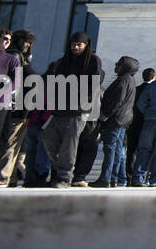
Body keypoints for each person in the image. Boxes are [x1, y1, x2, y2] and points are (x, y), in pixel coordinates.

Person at [41, 32, 104, 188]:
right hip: (59, 109)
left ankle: (64, 177)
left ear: (86, 45)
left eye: (79, 45)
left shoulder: (93, 61)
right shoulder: (64, 62)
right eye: (73, 44)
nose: (75, 47)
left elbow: (93, 84)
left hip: (77, 110)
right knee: (49, 138)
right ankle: (60, 169)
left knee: (69, 145)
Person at [90, 56, 138, 188]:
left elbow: (116, 101)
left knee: (110, 150)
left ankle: (106, 178)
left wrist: (104, 116)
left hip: (115, 120)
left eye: (118, 64)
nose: (115, 66)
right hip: (123, 120)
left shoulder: (122, 81)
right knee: (117, 151)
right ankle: (118, 178)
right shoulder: (130, 80)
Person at [0, 30, 23, 184]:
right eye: (5, 39)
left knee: (0, 138)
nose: (7, 42)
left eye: (9, 40)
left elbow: (16, 82)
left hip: (2, 104)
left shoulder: (11, 59)